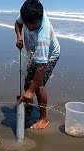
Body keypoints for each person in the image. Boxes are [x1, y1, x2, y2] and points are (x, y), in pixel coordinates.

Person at [15, 0, 60, 130]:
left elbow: (41, 68)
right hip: (34, 53)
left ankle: (44, 118)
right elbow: (18, 23)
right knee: (27, 82)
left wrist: (31, 90)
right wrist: (19, 37)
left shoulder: (42, 38)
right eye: (30, 25)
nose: (32, 28)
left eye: (35, 26)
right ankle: (29, 104)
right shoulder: (28, 14)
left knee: (38, 86)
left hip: (50, 56)